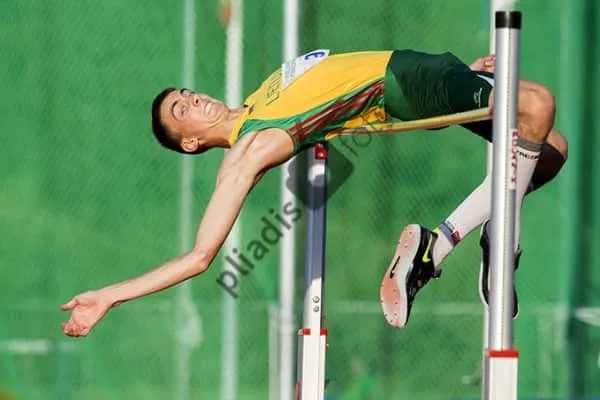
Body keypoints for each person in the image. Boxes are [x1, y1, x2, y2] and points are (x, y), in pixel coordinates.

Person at [60, 49, 567, 337]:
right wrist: (111, 295)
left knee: (549, 153)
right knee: (538, 105)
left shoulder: (260, 97)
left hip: (421, 69)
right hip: (402, 84)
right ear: (190, 143)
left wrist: (461, 78)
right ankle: (456, 243)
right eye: (182, 110)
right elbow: (199, 256)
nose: (193, 100)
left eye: (186, 94)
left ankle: (449, 242)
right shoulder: (248, 149)